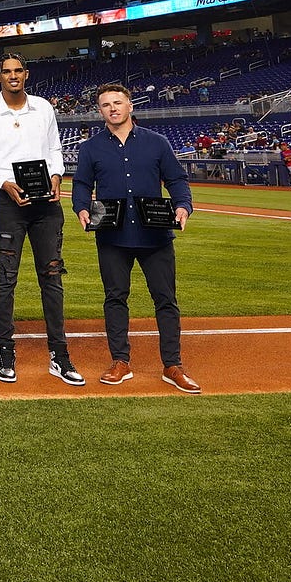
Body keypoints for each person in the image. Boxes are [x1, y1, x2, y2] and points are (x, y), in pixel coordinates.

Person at [71, 83, 199, 393]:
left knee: (165, 300)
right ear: (100, 111)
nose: (112, 108)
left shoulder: (157, 143)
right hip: (111, 234)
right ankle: (120, 362)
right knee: (115, 298)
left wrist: (183, 207)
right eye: (105, 104)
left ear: (130, 106)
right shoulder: (90, 148)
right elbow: (82, 184)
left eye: (117, 102)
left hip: (155, 234)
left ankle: (172, 364)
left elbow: (177, 180)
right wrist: (81, 208)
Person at [0, 53, 83, 386]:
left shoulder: (44, 107)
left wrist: (58, 176)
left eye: (18, 71)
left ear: (26, 74)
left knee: (52, 277)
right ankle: (5, 351)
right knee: (6, 278)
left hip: (46, 203)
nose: (13, 76)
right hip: (7, 201)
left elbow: (54, 150)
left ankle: (59, 356)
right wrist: (3, 182)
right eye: (7, 72)